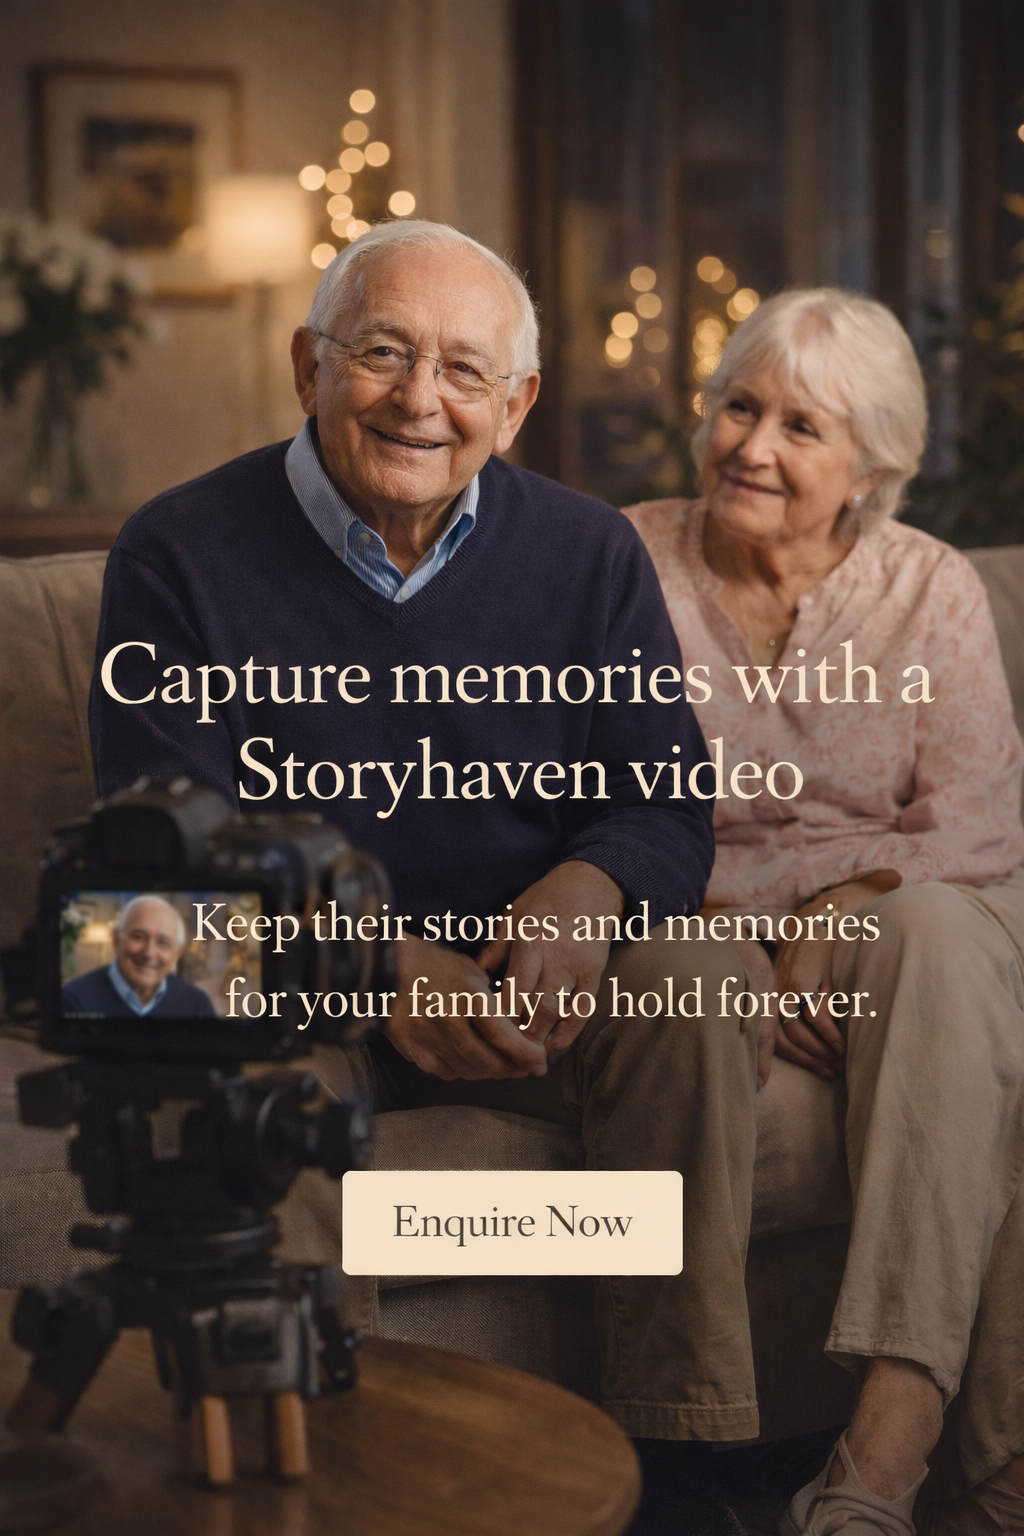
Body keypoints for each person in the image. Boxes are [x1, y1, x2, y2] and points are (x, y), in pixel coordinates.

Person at [89, 219, 768, 1531]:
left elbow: (665, 803)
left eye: (465, 372)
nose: (419, 400)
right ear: (308, 365)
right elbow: (163, 848)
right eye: (383, 354)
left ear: (513, 409)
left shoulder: (586, 554)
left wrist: (586, 899)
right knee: (194, 1015)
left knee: (685, 968)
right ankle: (322, 1475)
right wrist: (382, 961)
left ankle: (676, 1462)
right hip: (303, 974)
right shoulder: (175, 551)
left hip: (529, 980)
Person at [624, 287, 1024, 1536]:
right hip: (704, 933)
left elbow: (980, 822)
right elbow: (593, 808)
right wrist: (756, 936)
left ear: (873, 465)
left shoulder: (931, 589)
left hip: (899, 935)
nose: (752, 446)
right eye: (738, 408)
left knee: (935, 929)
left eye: (802, 427)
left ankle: (878, 1458)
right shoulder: (625, 564)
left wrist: (844, 903)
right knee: (938, 967)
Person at [61, 894, 214, 1018]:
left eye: (163, 943)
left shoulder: (198, 1005)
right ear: (117, 940)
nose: (148, 953)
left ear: (176, 954)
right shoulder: (75, 999)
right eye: (138, 936)